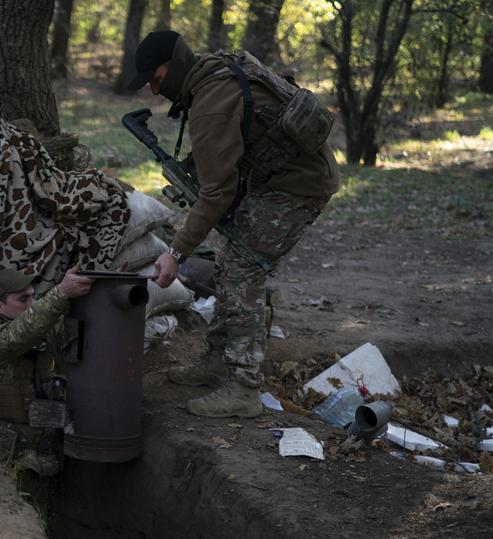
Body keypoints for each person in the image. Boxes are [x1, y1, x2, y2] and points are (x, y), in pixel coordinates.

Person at [128, 30, 340, 417]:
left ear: (172, 67)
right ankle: (218, 360)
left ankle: (243, 387)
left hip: (296, 186)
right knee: (229, 263)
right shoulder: (214, 70)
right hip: (280, 179)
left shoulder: (210, 102)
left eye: (156, 80)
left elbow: (216, 194)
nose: (156, 91)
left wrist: (176, 252)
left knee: (242, 271)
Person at [0, 265, 94, 476]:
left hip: (44, 451)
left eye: (33, 296)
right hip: (2, 455)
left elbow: (78, 338)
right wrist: (60, 293)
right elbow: (20, 335)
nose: (32, 303)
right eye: (22, 299)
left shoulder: (46, 331)